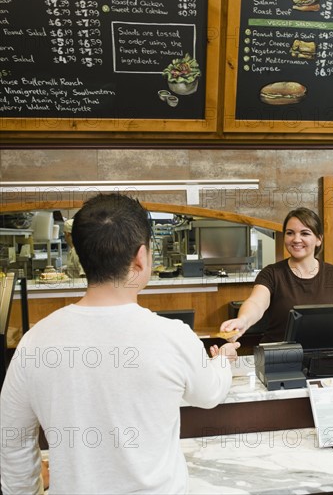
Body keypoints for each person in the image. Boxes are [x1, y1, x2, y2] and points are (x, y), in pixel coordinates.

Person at [1, 194, 239, 495]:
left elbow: (12, 443)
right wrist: (223, 360)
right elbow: (209, 393)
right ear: (141, 258)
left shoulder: (34, 342)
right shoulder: (173, 336)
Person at [220, 207, 333, 343]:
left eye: (305, 233)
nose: (296, 239)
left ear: (319, 239)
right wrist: (243, 320)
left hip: (322, 356)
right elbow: (256, 303)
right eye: (290, 233)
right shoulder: (271, 274)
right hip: (279, 356)